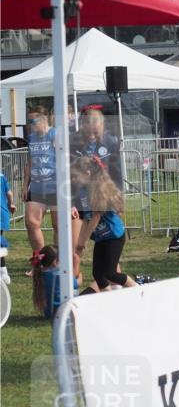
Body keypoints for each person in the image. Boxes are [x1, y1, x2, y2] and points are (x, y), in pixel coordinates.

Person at [72, 155, 137, 293]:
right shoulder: (83, 192)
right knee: (98, 274)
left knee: (110, 273)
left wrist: (84, 240)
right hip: (101, 237)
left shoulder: (98, 189)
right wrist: (80, 242)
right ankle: (108, 298)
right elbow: (86, 218)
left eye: (77, 176)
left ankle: (138, 290)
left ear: (87, 173)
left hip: (114, 236)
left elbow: (95, 217)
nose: (75, 179)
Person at [23, 107, 59, 254]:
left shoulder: (55, 134)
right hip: (36, 186)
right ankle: (41, 259)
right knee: (31, 222)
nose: (30, 124)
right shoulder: (31, 138)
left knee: (59, 226)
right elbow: (29, 163)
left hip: (55, 186)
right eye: (29, 121)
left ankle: (59, 259)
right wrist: (25, 185)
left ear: (43, 119)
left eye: (33, 121)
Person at [31, 245, 76, 318]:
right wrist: (76, 266)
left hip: (48, 313)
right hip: (61, 313)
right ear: (55, 262)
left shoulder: (39, 274)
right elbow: (76, 284)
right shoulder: (57, 275)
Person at [0, 167, 13, 285]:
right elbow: (9, 193)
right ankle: (3, 272)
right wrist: (11, 204)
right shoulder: (2, 177)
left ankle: (3, 271)